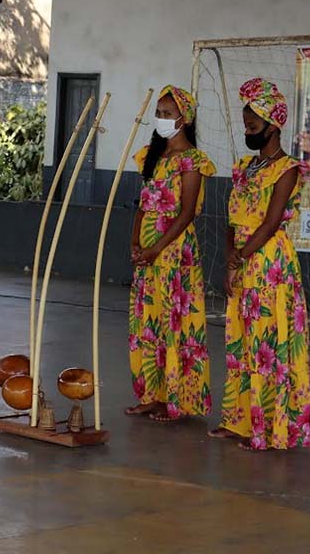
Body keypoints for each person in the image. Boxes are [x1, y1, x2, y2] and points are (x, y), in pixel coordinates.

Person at [209, 78, 310, 451]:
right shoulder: (243, 167)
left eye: (253, 126)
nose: (248, 132)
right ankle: (238, 421)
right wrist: (230, 258)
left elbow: (271, 223)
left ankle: (272, 427)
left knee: (270, 346)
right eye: (245, 126)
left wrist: (239, 258)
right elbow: (232, 219)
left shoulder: (288, 169)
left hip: (270, 265)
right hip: (242, 262)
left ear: (273, 125)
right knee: (241, 344)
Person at [125, 85, 214, 422]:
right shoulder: (152, 156)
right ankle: (151, 394)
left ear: (184, 119)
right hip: (147, 254)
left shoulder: (192, 161)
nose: (161, 119)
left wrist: (156, 249)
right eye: (158, 114)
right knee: (148, 325)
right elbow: (142, 205)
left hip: (174, 254)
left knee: (174, 325)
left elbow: (187, 212)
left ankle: (176, 400)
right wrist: (136, 242)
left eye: (167, 114)